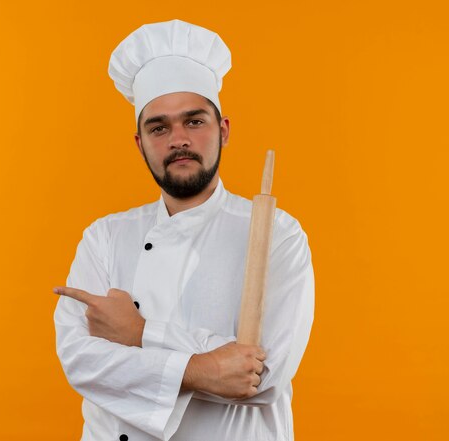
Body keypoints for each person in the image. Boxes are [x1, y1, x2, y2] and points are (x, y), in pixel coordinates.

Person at [53, 19, 315, 441]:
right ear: (140, 143)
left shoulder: (276, 234)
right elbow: (81, 361)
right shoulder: (104, 238)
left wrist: (139, 335)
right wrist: (208, 367)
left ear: (223, 131)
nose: (178, 139)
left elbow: (261, 378)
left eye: (194, 122)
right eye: (159, 127)